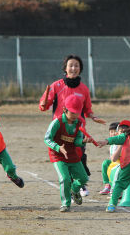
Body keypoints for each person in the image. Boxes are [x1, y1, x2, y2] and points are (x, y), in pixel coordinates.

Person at [39, 55, 106, 197]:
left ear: (80, 69)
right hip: (60, 128)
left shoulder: (84, 89)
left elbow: (88, 109)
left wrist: (93, 117)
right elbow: (44, 105)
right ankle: (68, 184)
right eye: (71, 65)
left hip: (77, 128)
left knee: (79, 155)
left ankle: (80, 184)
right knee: (63, 157)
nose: (73, 68)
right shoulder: (56, 86)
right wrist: (43, 104)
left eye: (76, 65)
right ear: (65, 68)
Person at [44, 94, 89, 212]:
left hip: (71, 153)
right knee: (65, 179)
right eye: (72, 112)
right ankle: (66, 204)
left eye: (77, 112)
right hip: (58, 155)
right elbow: (47, 139)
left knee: (83, 178)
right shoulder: (56, 122)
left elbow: (77, 141)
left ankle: (74, 190)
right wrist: (58, 148)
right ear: (64, 110)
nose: (75, 115)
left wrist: (83, 141)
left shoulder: (79, 123)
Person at [99, 121, 119, 195]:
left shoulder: (120, 142)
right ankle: (107, 185)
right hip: (113, 163)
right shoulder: (111, 144)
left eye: (115, 131)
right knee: (105, 163)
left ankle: (116, 188)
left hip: (119, 164)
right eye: (111, 131)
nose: (113, 133)